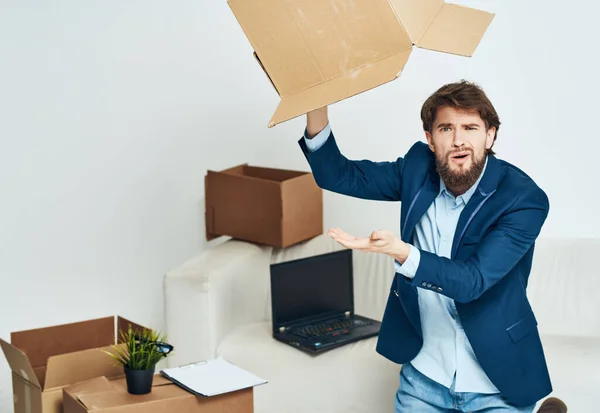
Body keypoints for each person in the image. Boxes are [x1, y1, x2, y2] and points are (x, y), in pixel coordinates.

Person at [298, 81, 559, 412]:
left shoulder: (523, 200)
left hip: (496, 385)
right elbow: (338, 175)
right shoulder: (417, 169)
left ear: (490, 136)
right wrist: (313, 99)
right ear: (430, 139)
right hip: (424, 379)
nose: (458, 139)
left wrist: (402, 252)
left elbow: (472, 281)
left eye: (470, 127)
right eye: (446, 128)